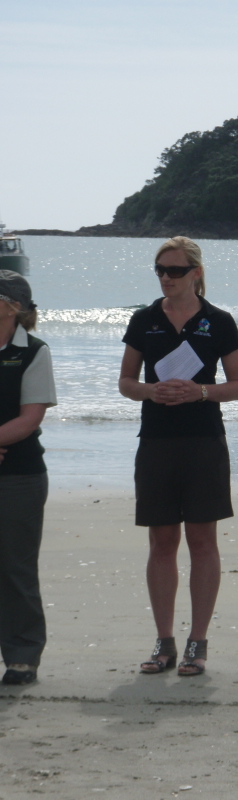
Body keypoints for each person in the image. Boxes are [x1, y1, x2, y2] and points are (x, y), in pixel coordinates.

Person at [119, 237, 238, 677]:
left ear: (196, 273)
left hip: (204, 442)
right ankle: (164, 641)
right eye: (160, 270)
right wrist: (150, 391)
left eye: (175, 270)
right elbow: (125, 382)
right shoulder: (145, 320)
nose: (166, 278)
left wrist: (201, 392)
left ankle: (198, 642)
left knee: (202, 542)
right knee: (161, 543)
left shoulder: (219, 321)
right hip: (156, 442)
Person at [0, 270, 57, 685]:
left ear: (12, 308)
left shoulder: (34, 352)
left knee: (15, 568)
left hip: (19, 477)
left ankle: (22, 657)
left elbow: (30, 418)